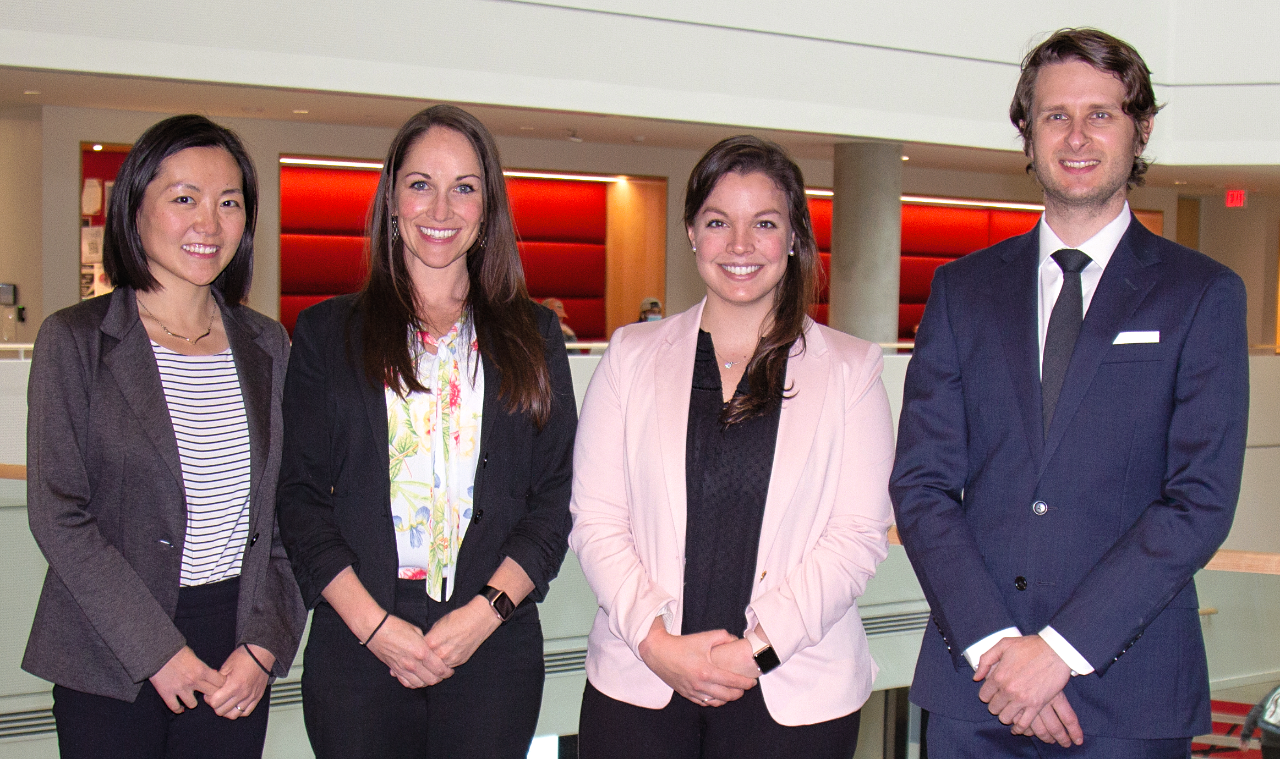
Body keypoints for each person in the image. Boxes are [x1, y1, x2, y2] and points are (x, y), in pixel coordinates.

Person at [890, 28, 1248, 758]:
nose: (1076, 135)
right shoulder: (963, 290)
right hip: (974, 691)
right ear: (1026, 133)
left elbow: (1198, 500)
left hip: (1126, 696)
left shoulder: (1202, 294)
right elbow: (923, 485)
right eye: (1055, 115)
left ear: (1141, 128)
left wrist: (1057, 650)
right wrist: (999, 651)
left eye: (1101, 114)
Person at [570, 135, 894, 758]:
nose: (740, 246)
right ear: (691, 232)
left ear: (795, 236)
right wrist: (656, 643)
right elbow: (597, 520)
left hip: (793, 692)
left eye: (764, 224)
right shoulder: (631, 357)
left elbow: (856, 537)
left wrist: (755, 652)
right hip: (642, 684)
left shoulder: (852, 371)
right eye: (719, 222)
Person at [276, 104, 577, 758]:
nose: (441, 208)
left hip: (492, 647)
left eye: (464, 187)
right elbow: (298, 497)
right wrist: (375, 626)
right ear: (391, 200)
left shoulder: (536, 336)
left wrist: (481, 615)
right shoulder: (327, 334)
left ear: (487, 207)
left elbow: (554, 500)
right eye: (420, 184)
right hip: (359, 647)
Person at [23, 114, 306, 759]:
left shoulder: (266, 344)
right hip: (109, 647)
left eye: (228, 203)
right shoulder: (75, 340)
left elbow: (290, 509)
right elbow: (58, 512)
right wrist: (158, 650)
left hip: (235, 644)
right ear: (136, 210)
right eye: (185, 199)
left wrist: (265, 646)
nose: (209, 223)